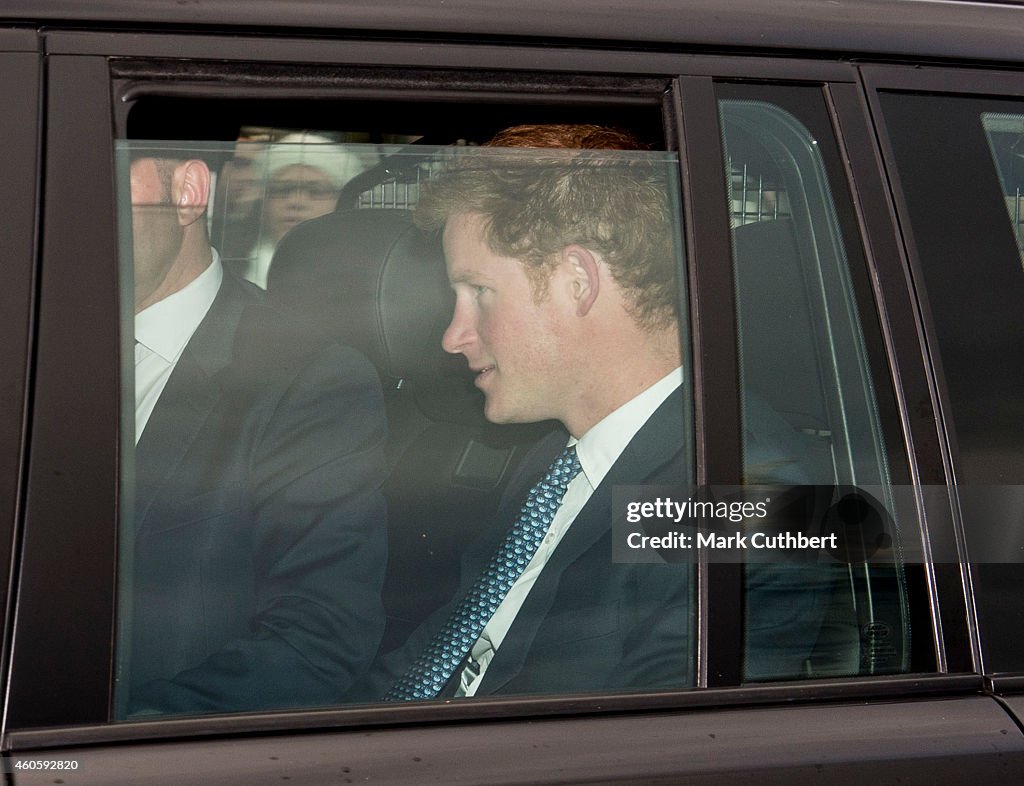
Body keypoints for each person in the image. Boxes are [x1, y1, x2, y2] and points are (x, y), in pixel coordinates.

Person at [353, 124, 830, 702]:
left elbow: (660, 749)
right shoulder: (554, 461)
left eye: (478, 291)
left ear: (577, 282)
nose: (454, 337)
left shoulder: (745, 500)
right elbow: (441, 652)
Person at [126, 150, 388, 715]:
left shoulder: (307, 379)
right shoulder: (37, 348)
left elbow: (317, 635)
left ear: (188, 192)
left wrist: (118, 741)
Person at [238, 132, 371, 289]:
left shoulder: (363, 274)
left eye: (316, 191)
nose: (296, 202)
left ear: (342, 203)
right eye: (282, 190)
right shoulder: (232, 263)